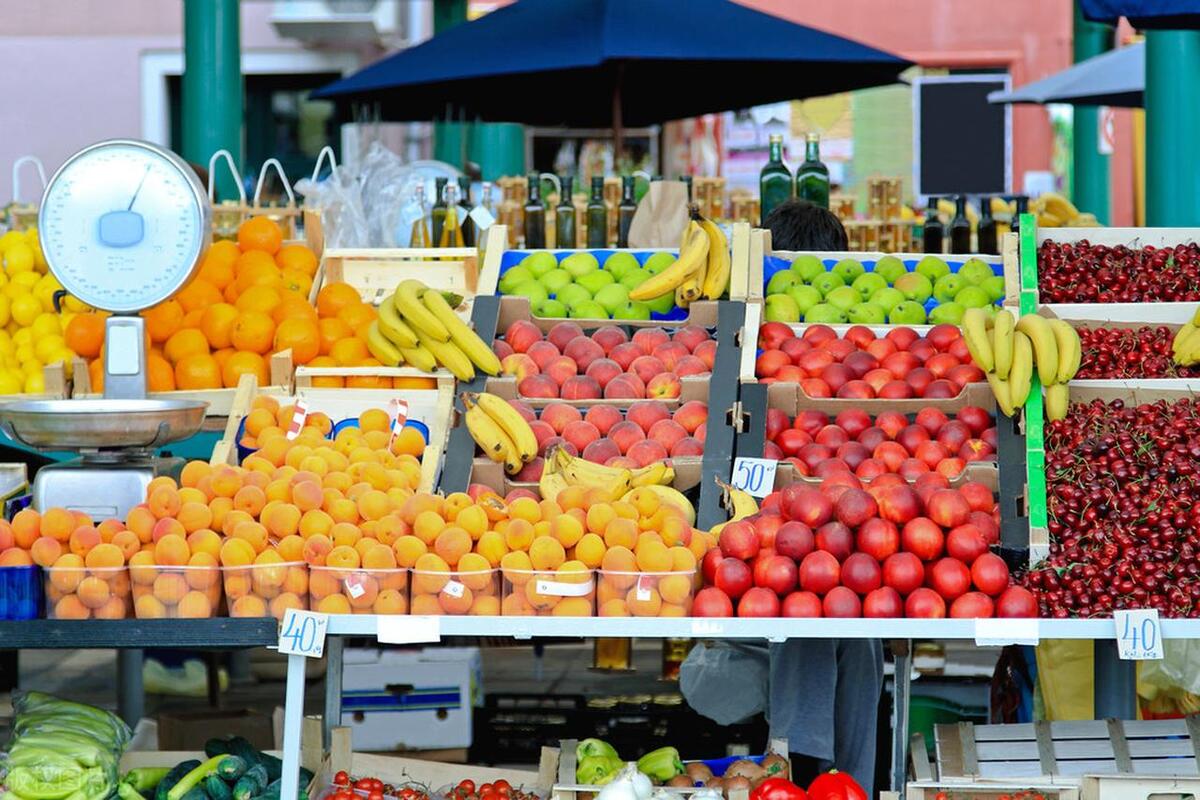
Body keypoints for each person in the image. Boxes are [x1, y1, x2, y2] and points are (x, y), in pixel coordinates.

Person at [762, 199, 884, 794]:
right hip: (747, 622)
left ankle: (823, 779)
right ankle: (812, 774)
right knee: (814, 622)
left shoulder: (846, 350)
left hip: (832, 579)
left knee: (841, 627)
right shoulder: (755, 338)